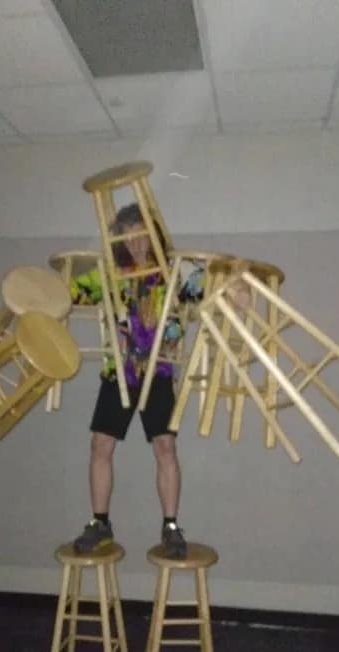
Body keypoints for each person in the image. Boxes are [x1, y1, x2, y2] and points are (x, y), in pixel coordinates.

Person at [70, 203, 203, 559]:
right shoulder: (110, 273)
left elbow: (206, 286)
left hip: (159, 370)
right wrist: (48, 288)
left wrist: (230, 288)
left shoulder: (173, 270)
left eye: (141, 235)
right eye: (128, 237)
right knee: (100, 444)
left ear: (153, 233)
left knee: (165, 447)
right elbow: (70, 291)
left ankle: (171, 527)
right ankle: (100, 522)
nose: (136, 244)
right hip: (120, 371)